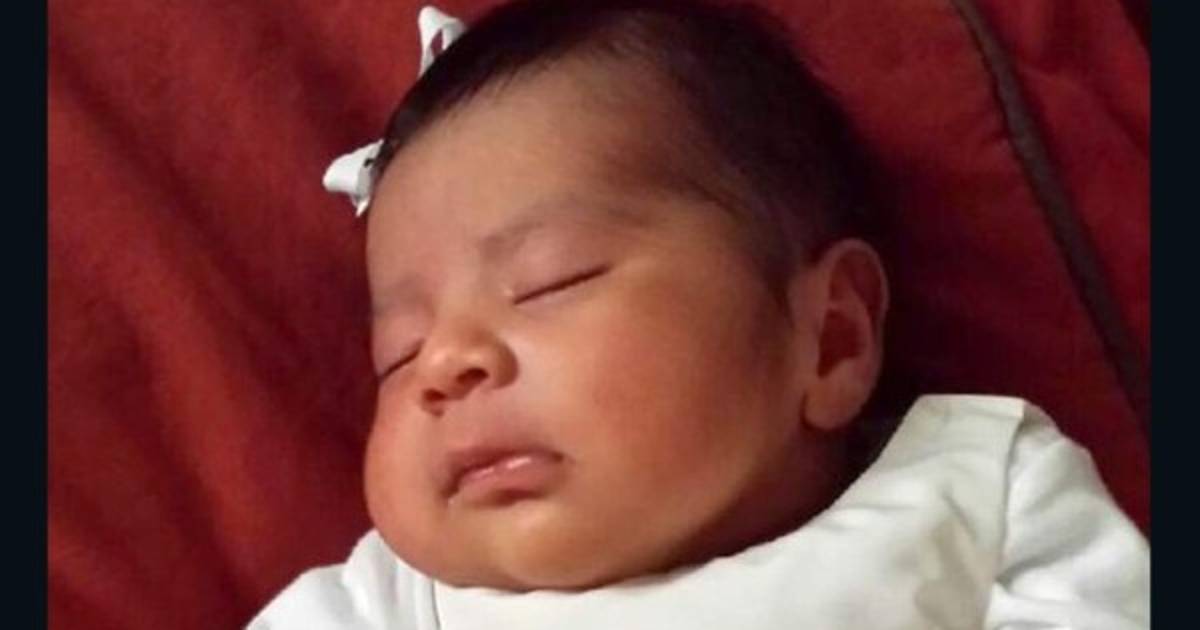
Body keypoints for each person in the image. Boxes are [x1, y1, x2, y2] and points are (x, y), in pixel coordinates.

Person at [250, 1, 1149, 627]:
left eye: (551, 282)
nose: (446, 362)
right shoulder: (385, 603)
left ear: (831, 338)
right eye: (398, 352)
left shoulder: (974, 489)